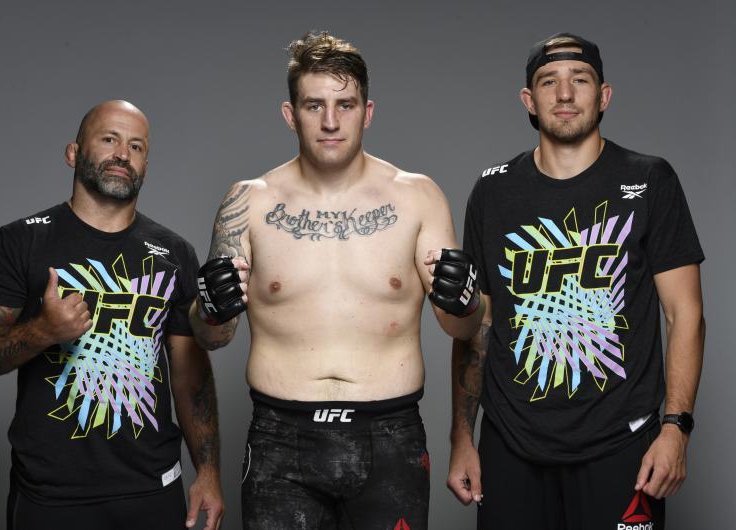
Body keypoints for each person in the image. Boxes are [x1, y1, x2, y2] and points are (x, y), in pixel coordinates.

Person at [190, 32, 484, 530]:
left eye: (345, 105)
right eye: (314, 106)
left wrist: (468, 301)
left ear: (367, 112)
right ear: (290, 114)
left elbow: (462, 328)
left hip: (391, 439)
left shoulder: (418, 197)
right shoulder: (248, 203)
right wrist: (210, 310)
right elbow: (212, 338)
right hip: (280, 443)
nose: (330, 121)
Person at [447, 33, 705, 530]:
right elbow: (477, 325)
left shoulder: (650, 179)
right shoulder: (494, 189)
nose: (564, 94)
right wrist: (462, 438)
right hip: (511, 444)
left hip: (622, 443)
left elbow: (685, 314)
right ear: (529, 100)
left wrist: (676, 430)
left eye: (579, 80)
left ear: (603, 95)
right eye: (549, 81)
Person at [0, 100, 224, 530]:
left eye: (136, 147)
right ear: (73, 153)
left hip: (152, 488)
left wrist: (208, 474)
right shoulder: (20, 242)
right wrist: (43, 330)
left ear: (146, 164)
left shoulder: (174, 253)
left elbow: (191, 374)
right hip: (51, 493)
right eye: (109, 139)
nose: (123, 154)